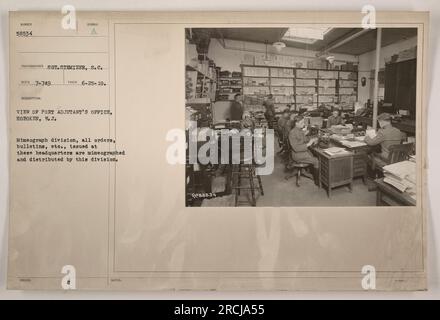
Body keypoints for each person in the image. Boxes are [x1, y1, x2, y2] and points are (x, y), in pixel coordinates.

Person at [288, 115, 319, 184]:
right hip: (297, 154)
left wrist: (312, 139)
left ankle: (311, 171)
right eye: (302, 123)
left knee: (315, 154)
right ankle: (317, 181)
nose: (304, 124)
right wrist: (309, 143)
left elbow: (304, 139)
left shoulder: (300, 130)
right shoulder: (292, 133)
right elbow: (296, 148)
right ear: (296, 123)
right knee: (316, 161)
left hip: (303, 152)